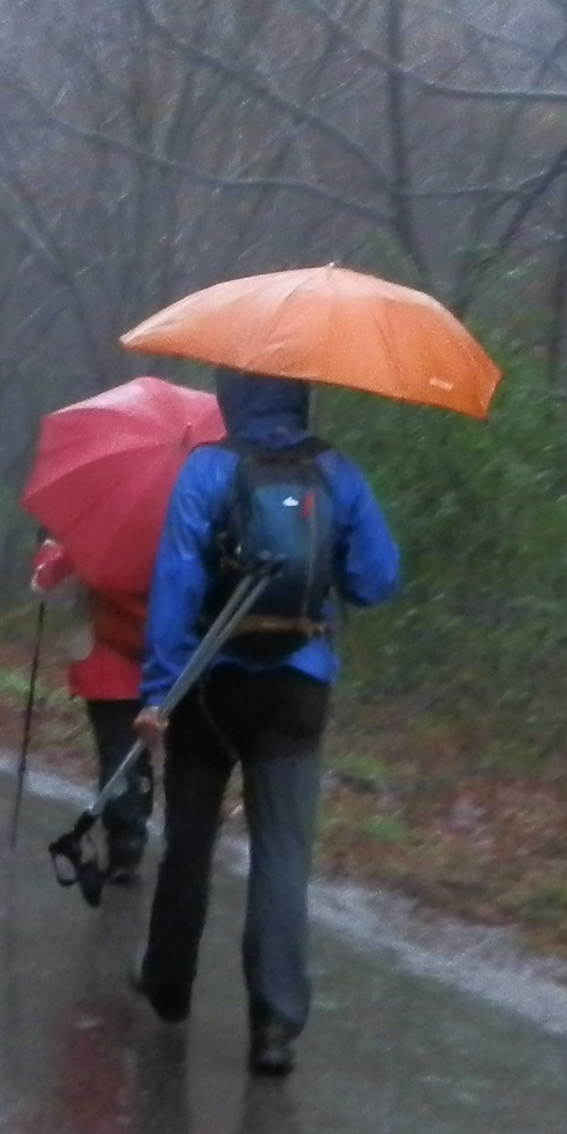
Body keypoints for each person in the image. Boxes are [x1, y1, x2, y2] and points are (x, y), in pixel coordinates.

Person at [131, 369, 400, 1075]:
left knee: (189, 840)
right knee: (281, 855)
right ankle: (275, 1025)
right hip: (298, 686)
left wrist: (158, 693)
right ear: (301, 393)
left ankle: (168, 984)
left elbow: (176, 583)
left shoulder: (207, 470)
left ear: (232, 394)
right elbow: (377, 579)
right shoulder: (336, 471)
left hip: (209, 687)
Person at [33, 538, 156, 891]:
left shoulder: (98, 536)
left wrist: (49, 548)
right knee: (138, 753)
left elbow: (47, 585)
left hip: (106, 665)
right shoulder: (166, 532)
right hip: (162, 662)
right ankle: (135, 831)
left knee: (118, 753)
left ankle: (125, 847)